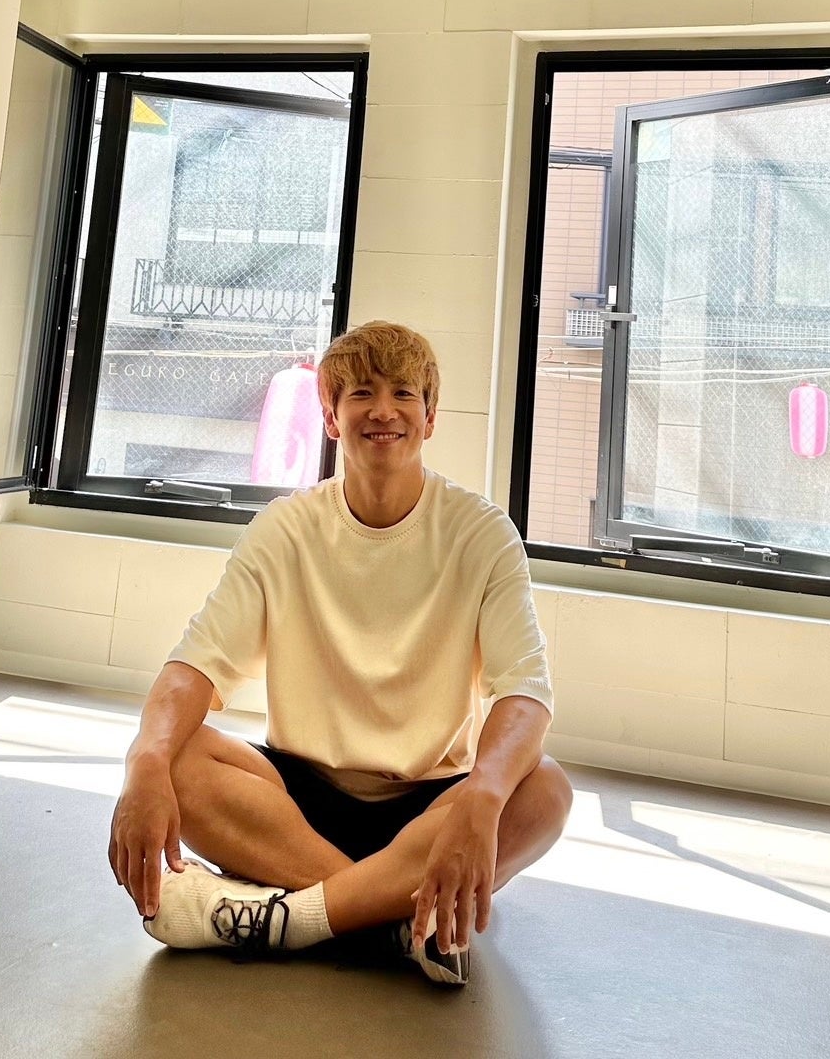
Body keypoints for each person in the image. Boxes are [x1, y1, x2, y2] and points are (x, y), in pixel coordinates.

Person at [108, 321, 572, 985]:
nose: (383, 410)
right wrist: (144, 762)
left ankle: (287, 919)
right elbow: (196, 665)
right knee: (176, 756)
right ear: (330, 417)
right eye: (361, 394)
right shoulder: (286, 527)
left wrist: (486, 794)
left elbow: (524, 692)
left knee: (544, 791)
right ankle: (391, 920)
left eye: (403, 393)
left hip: (430, 806)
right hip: (296, 805)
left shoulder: (482, 533)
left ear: (430, 416)